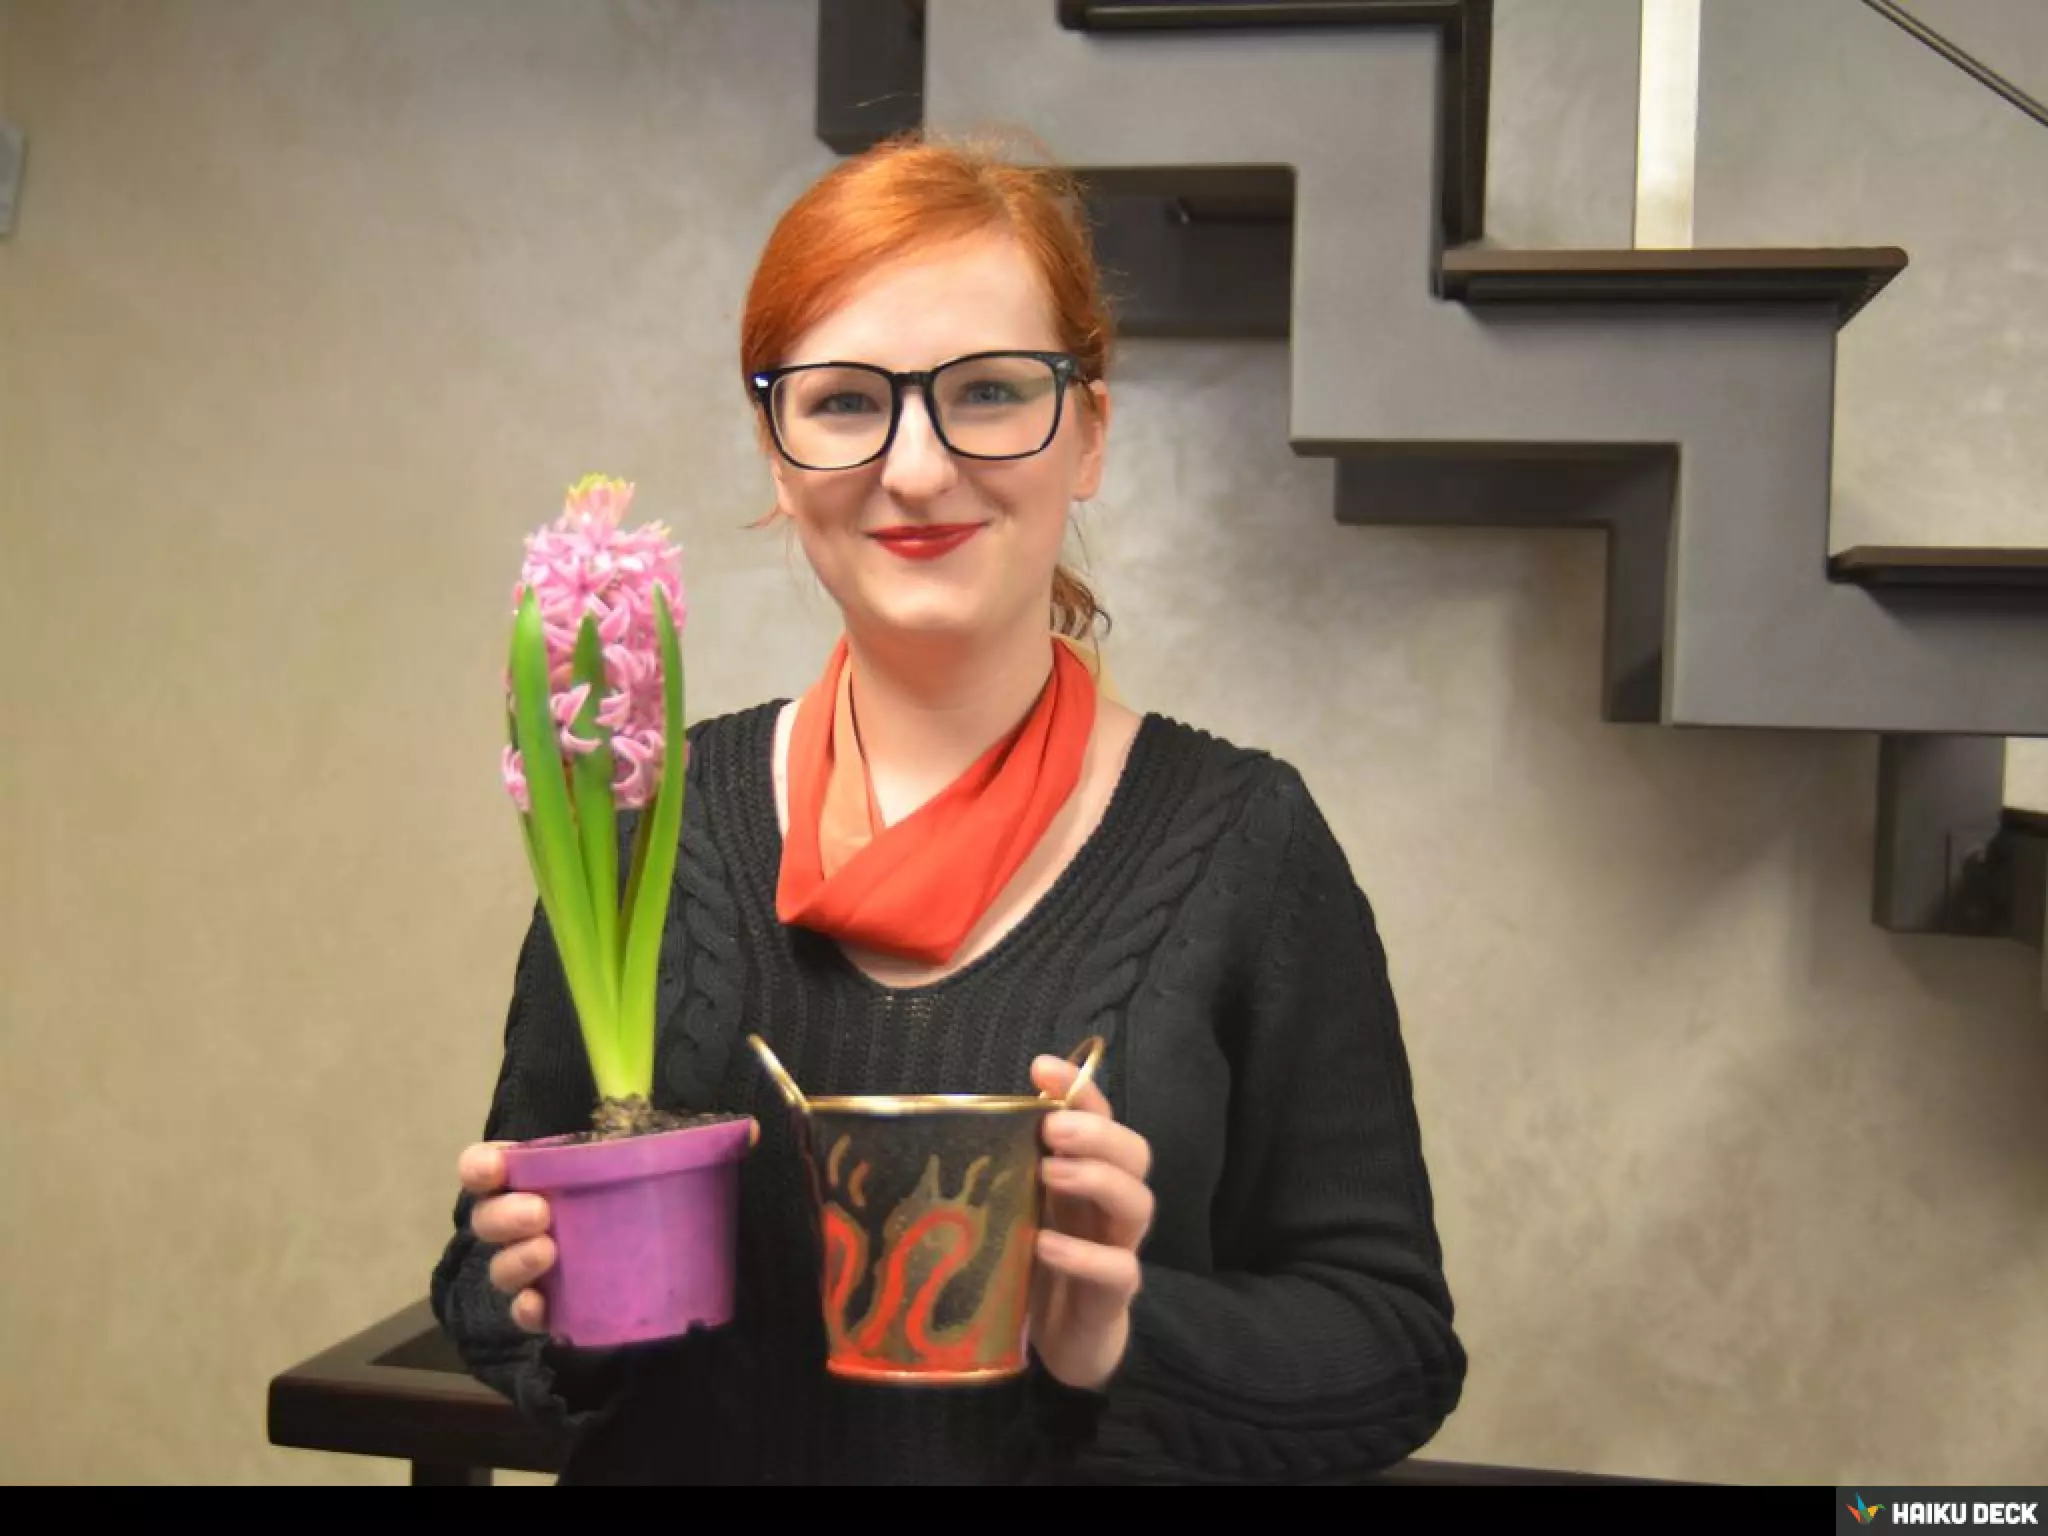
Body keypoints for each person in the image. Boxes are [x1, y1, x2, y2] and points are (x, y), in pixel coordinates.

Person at [431, 133, 1465, 1486]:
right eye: (844, 402)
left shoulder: (1244, 843)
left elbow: (1392, 1346)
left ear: (1089, 431)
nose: (916, 470)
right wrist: (536, 1300)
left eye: (987, 391)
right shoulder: (644, 825)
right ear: (777, 452)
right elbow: (484, 1280)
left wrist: (1116, 1333)